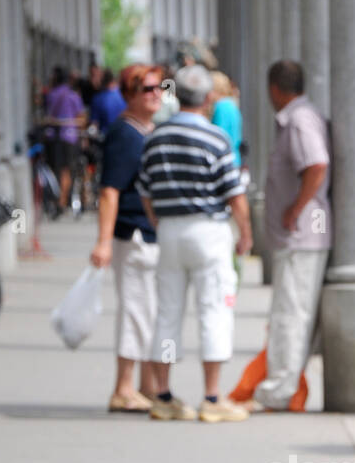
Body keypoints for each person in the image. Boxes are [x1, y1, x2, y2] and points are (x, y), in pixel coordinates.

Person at [137, 63, 253, 423]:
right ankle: (212, 397)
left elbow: (145, 190)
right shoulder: (216, 139)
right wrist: (245, 235)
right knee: (214, 310)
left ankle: (163, 395)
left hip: (169, 231)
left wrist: (160, 221)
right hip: (208, 232)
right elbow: (235, 195)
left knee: (168, 312)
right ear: (206, 99)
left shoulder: (155, 137)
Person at [248, 59, 331, 411]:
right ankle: (283, 386)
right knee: (290, 312)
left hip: (301, 235)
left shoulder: (297, 121)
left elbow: (316, 164)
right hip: (302, 235)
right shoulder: (302, 117)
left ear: (274, 89)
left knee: (291, 314)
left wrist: (295, 208)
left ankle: (279, 390)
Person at [90, 64, 164, 413]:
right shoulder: (124, 133)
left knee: (149, 311)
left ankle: (147, 386)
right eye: (146, 88)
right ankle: (123, 387)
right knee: (136, 310)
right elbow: (110, 191)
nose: (155, 93)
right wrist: (103, 242)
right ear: (129, 94)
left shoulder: (147, 130)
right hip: (131, 233)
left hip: (149, 234)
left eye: (159, 86)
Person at [42, 66, 86, 211]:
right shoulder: (74, 96)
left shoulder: (51, 94)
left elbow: (46, 112)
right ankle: (62, 201)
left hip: (53, 137)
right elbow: (81, 118)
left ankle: (55, 199)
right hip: (70, 137)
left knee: (54, 169)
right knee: (66, 171)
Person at [210, 72, 243, 162]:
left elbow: (219, 135)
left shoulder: (220, 107)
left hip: (225, 160)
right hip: (234, 157)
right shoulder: (231, 104)